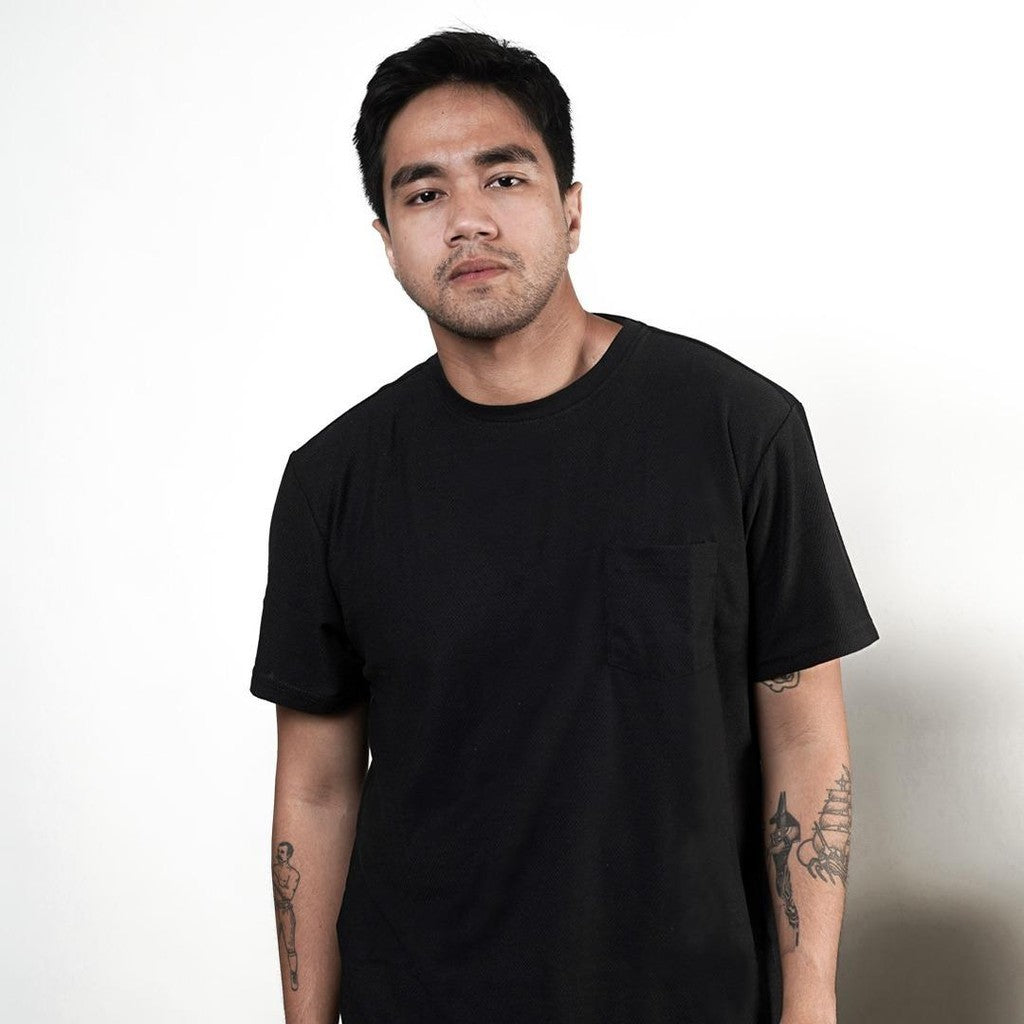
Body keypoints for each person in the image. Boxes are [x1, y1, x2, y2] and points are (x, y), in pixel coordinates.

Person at [249, 27, 879, 1024]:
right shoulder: (334, 481)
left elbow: (804, 742)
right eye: (423, 194)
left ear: (571, 209)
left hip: (691, 1000)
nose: (467, 220)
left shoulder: (737, 429)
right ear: (387, 238)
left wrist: (810, 1007)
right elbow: (317, 791)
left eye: (503, 179)